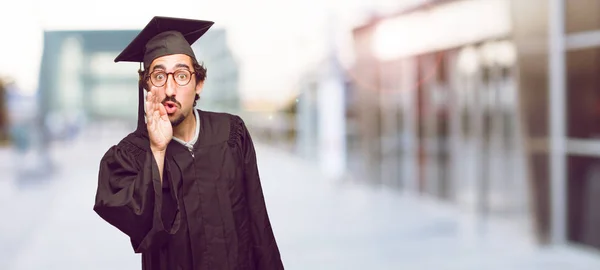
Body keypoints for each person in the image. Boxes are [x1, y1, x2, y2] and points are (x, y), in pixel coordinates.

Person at [93, 16, 284, 270]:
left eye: (182, 75)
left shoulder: (231, 134)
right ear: (146, 86)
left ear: (199, 84)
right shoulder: (131, 155)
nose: (170, 88)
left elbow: (259, 223)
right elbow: (137, 223)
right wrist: (158, 151)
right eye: (159, 76)